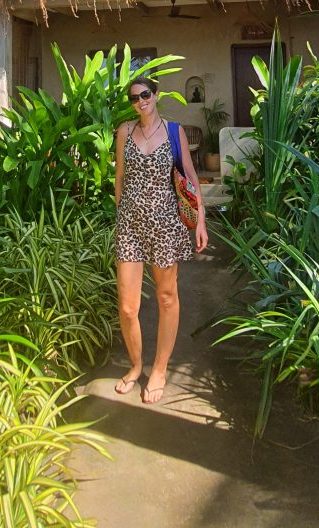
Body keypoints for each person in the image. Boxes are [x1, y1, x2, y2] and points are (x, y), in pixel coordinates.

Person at [113, 75, 208, 404]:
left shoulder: (173, 131)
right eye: (134, 98)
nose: (140, 102)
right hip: (130, 226)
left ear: (156, 95)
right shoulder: (125, 132)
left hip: (167, 225)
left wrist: (200, 220)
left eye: (145, 95)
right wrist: (123, 213)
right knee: (127, 308)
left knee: (167, 297)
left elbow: (190, 176)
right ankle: (137, 364)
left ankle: (160, 369)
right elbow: (120, 178)